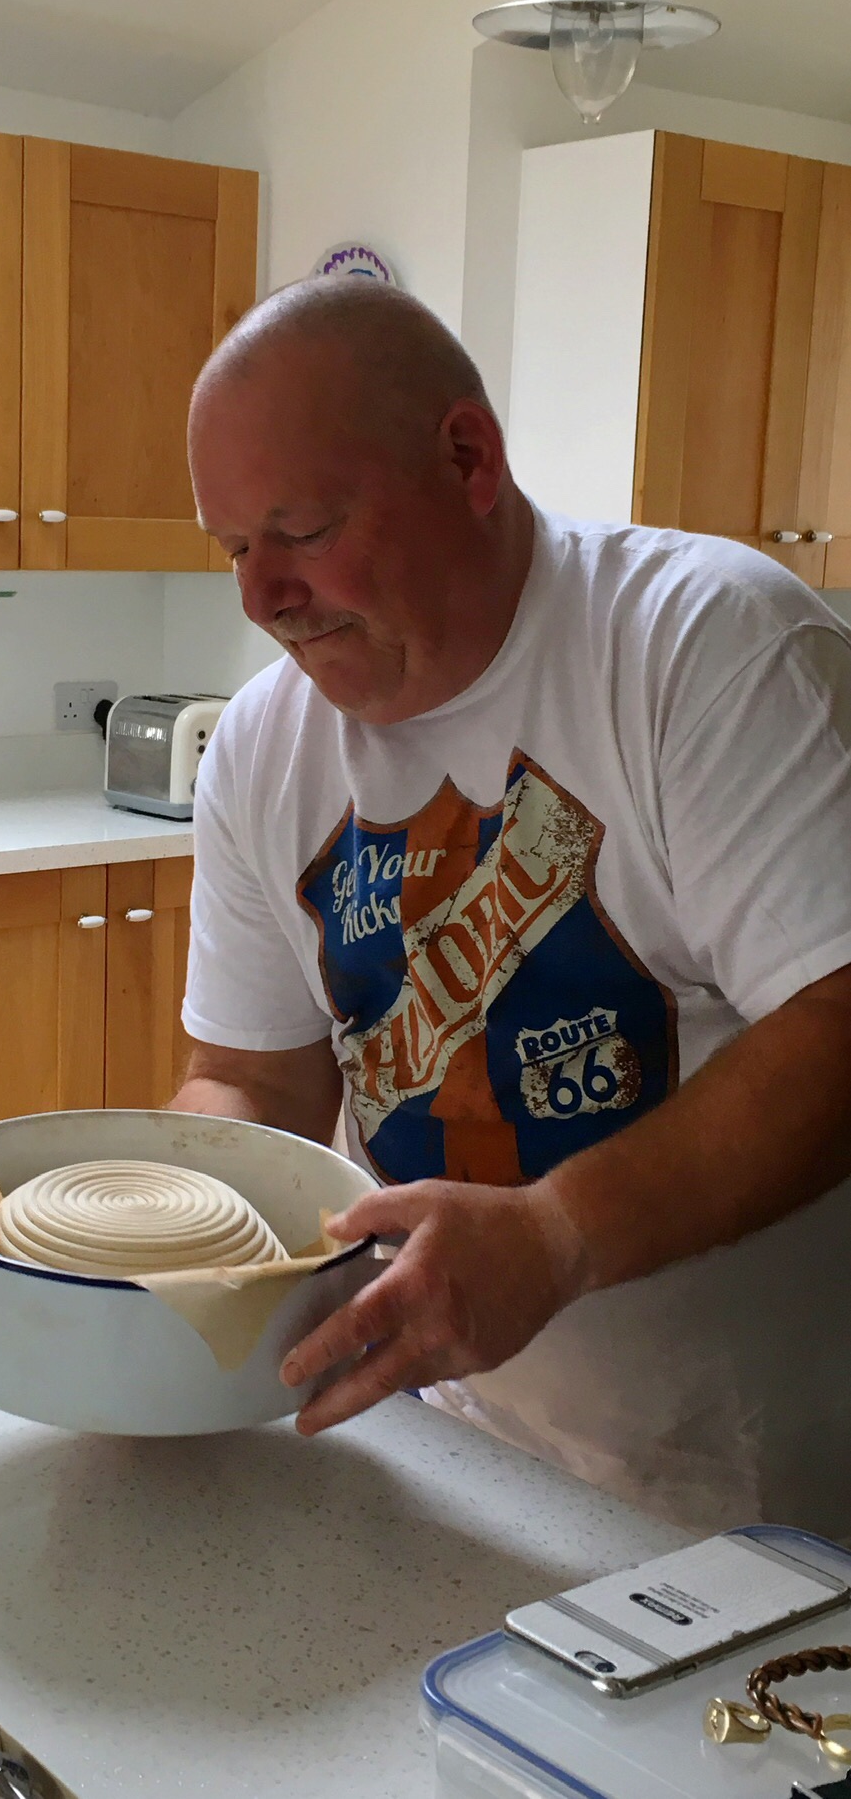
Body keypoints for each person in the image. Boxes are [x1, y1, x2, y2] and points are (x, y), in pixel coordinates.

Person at [176, 273, 851, 1533]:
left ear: (467, 456)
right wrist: (163, 1219)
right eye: (233, 547)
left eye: (303, 527)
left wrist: (553, 1236)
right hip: (444, 1457)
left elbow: (837, 1018)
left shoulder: (703, 646)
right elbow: (253, 1081)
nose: (260, 597)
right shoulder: (262, 744)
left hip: (749, 1491)